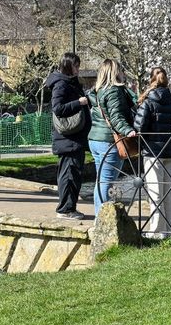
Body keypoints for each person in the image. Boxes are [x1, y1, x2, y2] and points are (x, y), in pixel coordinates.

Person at [134, 66, 171, 236]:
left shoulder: (148, 103)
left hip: (153, 152)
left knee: (155, 192)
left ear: (151, 80)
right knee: (169, 191)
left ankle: (156, 230)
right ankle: (170, 229)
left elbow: (139, 127)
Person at [87, 59, 137, 215]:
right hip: (109, 141)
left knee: (101, 181)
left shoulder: (97, 90)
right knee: (106, 182)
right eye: (121, 70)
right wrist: (128, 130)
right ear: (115, 72)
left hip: (95, 139)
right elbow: (116, 117)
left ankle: (99, 217)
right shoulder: (114, 91)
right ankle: (102, 221)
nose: (123, 73)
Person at [46, 53, 91, 220]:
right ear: (68, 66)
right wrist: (78, 103)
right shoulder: (61, 84)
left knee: (73, 174)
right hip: (68, 139)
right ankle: (65, 209)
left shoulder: (70, 83)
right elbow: (57, 108)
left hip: (74, 138)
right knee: (69, 174)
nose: (78, 69)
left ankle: (69, 207)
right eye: (76, 66)